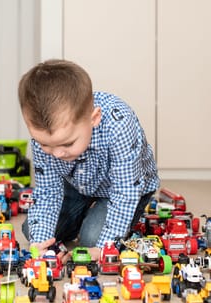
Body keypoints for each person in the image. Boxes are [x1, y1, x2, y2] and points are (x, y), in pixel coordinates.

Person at [18, 59, 159, 262]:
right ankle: (84, 215)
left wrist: (104, 248)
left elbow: (126, 191)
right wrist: (40, 244)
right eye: (45, 145)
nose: (56, 154)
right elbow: (48, 191)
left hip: (123, 189)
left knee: (92, 240)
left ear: (94, 119)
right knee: (33, 230)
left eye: (67, 144)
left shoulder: (119, 126)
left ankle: (108, 221)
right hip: (76, 185)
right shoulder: (44, 135)